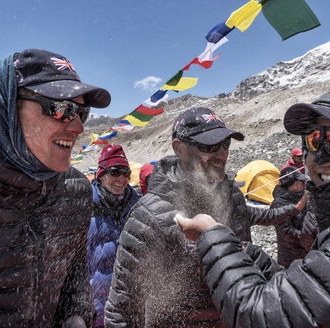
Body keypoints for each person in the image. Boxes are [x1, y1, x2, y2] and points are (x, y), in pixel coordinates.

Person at [175, 80, 330, 327]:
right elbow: (306, 298)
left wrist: (212, 236)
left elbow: (261, 318)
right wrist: (243, 252)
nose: (315, 157)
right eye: (312, 140)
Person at [104, 107, 306, 327]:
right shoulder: (149, 215)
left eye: (225, 144)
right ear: (179, 149)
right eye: (210, 146)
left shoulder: (233, 197)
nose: (222, 154)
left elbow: (246, 256)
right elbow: (122, 309)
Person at [0, 49, 111, 327]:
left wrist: (77, 314)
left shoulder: (76, 190)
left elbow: (72, 271)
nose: (77, 127)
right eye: (61, 108)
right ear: (7, 107)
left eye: (82, 112)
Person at [87, 144, 140, 328]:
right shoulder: (83, 208)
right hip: (96, 307)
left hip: (133, 305)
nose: (122, 179)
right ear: (100, 175)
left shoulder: (138, 208)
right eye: (115, 172)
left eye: (126, 173)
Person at [270, 166, 308, 267]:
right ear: (290, 184)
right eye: (299, 181)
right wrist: (308, 237)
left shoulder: (303, 195)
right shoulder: (278, 205)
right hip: (290, 256)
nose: (302, 182)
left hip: (307, 251)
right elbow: (286, 232)